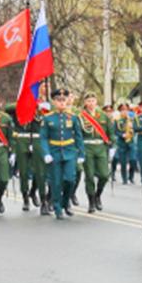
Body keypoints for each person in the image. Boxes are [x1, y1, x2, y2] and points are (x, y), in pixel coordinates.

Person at [39, 88, 84, 220]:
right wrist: (46, 153)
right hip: (54, 152)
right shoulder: (48, 118)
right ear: (54, 102)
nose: (62, 103)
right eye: (59, 100)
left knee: (70, 179)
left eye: (64, 100)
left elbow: (79, 137)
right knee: (56, 182)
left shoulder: (73, 117)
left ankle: (65, 203)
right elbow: (43, 137)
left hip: (69, 152)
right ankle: (58, 207)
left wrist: (81, 153)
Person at [79, 92, 113, 213]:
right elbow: (78, 134)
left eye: (93, 101)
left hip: (101, 148)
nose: (91, 103)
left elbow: (110, 132)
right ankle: (91, 201)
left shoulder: (103, 116)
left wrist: (112, 144)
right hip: (87, 147)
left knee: (104, 175)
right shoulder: (81, 116)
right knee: (89, 176)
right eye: (88, 101)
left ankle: (98, 195)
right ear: (85, 103)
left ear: (96, 102)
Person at [113, 103, 136, 185]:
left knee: (133, 160)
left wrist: (133, 129)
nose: (125, 111)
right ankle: (124, 179)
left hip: (131, 142)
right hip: (122, 143)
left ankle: (131, 177)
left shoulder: (132, 119)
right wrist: (122, 135)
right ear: (120, 111)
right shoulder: (117, 120)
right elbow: (115, 131)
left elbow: (137, 128)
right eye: (122, 110)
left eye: (126, 109)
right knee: (123, 162)